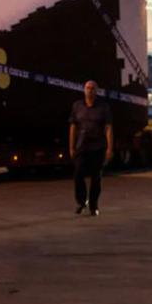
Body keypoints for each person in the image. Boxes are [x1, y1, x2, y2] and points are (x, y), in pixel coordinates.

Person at [68, 80, 112, 216]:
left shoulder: (103, 107)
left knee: (96, 178)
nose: (90, 90)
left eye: (92, 88)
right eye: (87, 88)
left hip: (98, 146)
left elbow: (108, 128)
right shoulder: (77, 106)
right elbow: (73, 127)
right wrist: (71, 147)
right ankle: (82, 201)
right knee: (78, 174)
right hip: (82, 146)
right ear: (84, 90)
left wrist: (109, 148)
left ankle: (94, 206)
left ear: (96, 91)